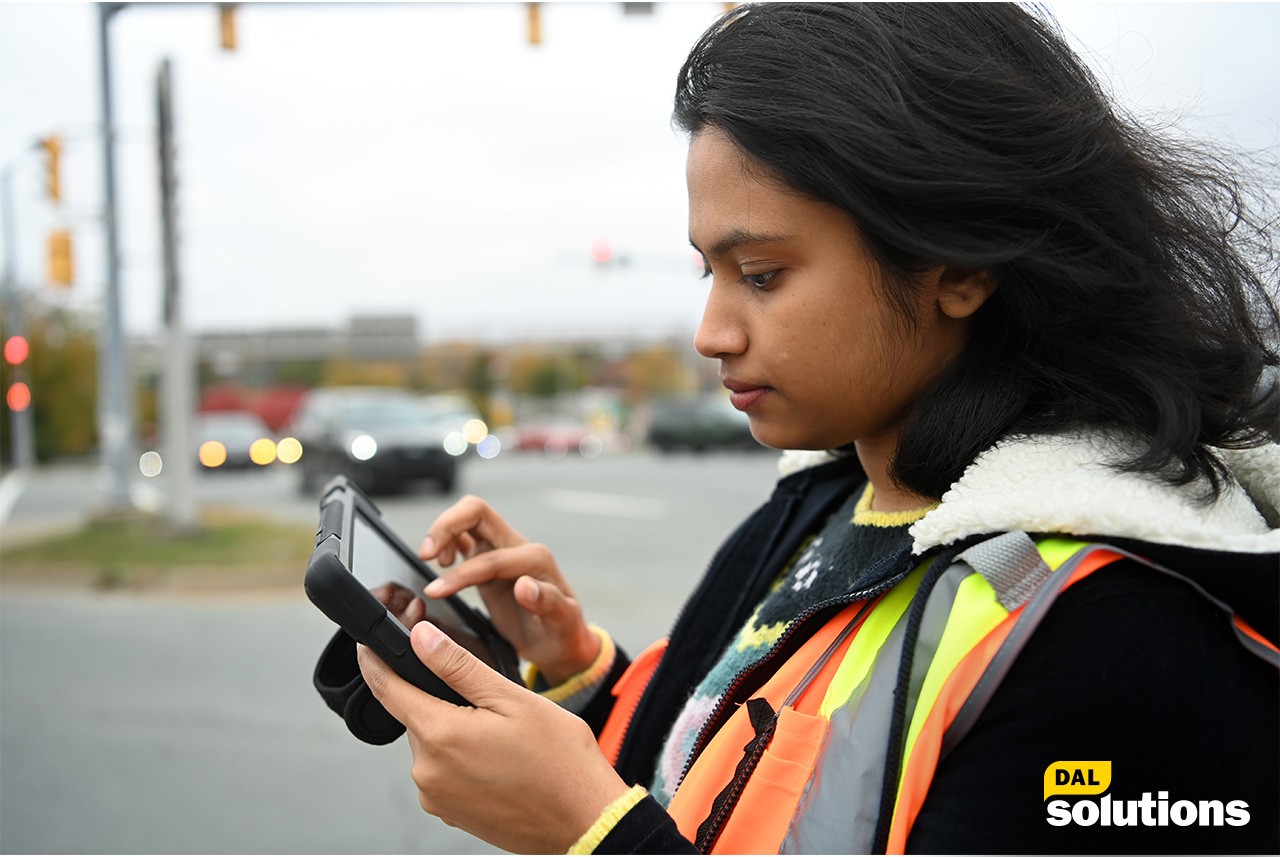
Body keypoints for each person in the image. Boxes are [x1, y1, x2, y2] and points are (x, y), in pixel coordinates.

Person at [355, 3, 1279, 853]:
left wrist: (588, 835)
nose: (712, 332)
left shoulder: (1118, 632)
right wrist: (582, 675)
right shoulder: (831, 496)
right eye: (706, 273)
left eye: (760, 274)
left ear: (959, 265)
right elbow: (722, 787)